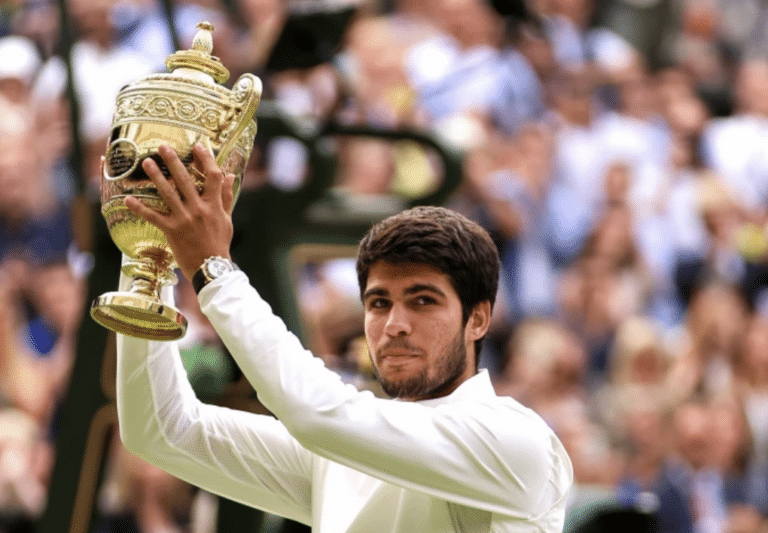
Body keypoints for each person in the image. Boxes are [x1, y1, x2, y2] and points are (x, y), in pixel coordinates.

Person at [116, 143, 573, 532]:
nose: (394, 324)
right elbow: (161, 430)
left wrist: (213, 270)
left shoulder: (514, 439)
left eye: (423, 301)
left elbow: (316, 415)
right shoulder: (342, 450)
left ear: (478, 320)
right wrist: (145, 258)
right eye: (378, 303)